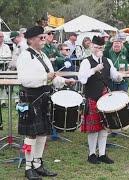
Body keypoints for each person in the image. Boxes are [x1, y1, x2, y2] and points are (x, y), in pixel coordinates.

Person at [16, 26, 75, 180]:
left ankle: (37, 163)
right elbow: (24, 80)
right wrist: (46, 78)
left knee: (43, 132)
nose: (44, 40)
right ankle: (28, 168)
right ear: (31, 40)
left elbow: (52, 76)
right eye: (41, 38)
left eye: (44, 37)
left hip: (43, 97)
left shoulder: (42, 55)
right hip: (30, 97)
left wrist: (64, 81)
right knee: (31, 134)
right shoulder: (24, 56)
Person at [78, 36, 123, 164]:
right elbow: (82, 79)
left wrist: (119, 77)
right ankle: (91, 154)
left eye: (101, 47)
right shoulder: (86, 62)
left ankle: (102, 154)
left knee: (104, 127)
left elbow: (114, 75)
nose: (98, 49)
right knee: (93, 129)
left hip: (105, 98)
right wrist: (94, 70)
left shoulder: (107, 60)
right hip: (92, 97)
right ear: (92, 47)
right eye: (96, 47)